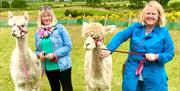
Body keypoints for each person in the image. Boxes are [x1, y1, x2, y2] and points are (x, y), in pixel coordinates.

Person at [100, 1, 174, 91]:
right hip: (132, 73)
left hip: (155, 76)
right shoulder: (135, 27)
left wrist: (156, 56)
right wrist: (109, 49)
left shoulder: (164, 32)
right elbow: (120, 36)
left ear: (159, 16)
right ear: (143, 15)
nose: (150, 16)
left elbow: (169, 53)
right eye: (148, 13)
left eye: (153, 14)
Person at [35, 6, 73, 91]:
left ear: (52, 16)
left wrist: (55, 54)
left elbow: (68, 46)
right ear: (40, 18)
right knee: (54, 89)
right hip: (48, 68)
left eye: (48, 15)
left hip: (63, 66)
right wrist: (39, 54)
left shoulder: (60, 28)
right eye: (43, 16)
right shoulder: (38, 33)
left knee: (67, 88)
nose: (46, 18)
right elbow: (37, 50)